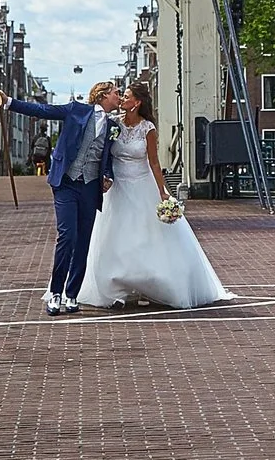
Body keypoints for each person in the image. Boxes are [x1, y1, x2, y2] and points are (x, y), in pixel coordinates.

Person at [77, 80, 235, 310]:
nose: (122, 99)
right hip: (118, 187)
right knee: (116, 237)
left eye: (127, 96)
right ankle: (119, 287)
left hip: (142, 185)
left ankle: (150, 285)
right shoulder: (113, 124)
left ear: (137, 103)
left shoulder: (147, 128)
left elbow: (153, 161)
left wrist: (162, 192)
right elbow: (103, 155)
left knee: (145, 236)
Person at [2, 80, 121, 315]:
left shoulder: (112, 125)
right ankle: (55, 292)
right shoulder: (76, 110)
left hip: (90, 186)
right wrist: (8, 102)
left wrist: (108, 175)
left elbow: (107, 156)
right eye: (116, 93)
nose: (119, 97)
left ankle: (72, 295)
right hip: (66, 183)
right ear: (102, 95)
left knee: (83, 241)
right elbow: (43, 110)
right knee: (67, 236)